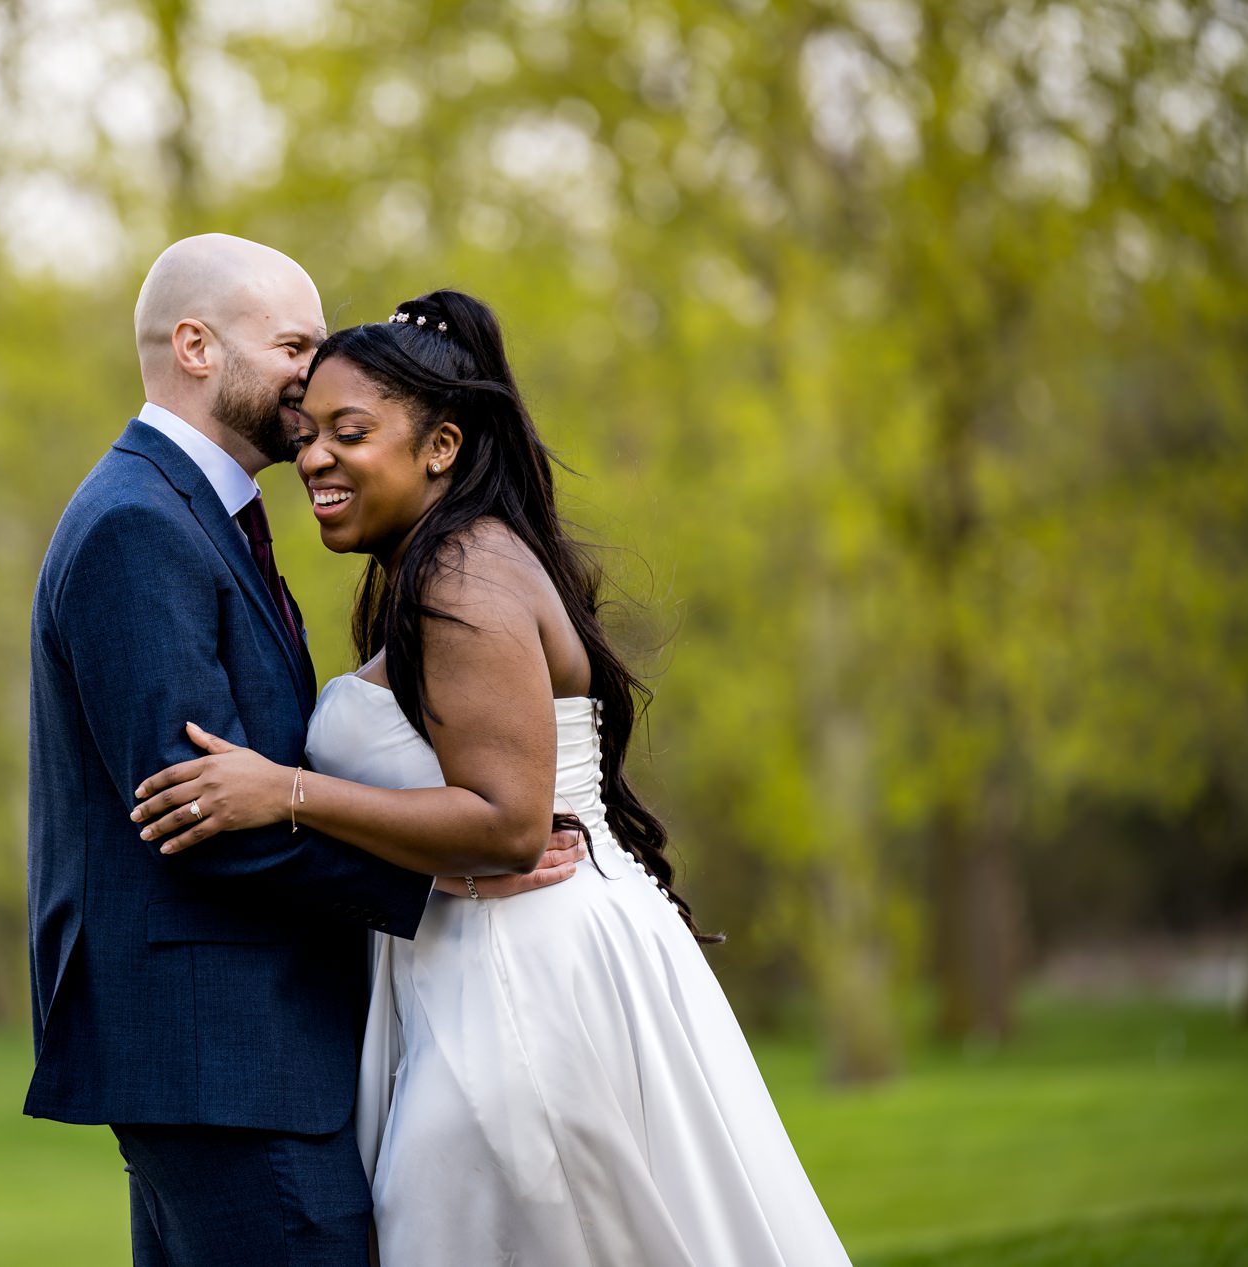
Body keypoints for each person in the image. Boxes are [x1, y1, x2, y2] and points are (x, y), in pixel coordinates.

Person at [131, 289, 855, 1265]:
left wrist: (285, 793)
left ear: (440, 446)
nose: (312, 458)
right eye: (307, 435)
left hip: (522, 977)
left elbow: (510, 825)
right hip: (491, 957)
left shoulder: (459, 580)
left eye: (349, 432)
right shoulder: (443, 564)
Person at [24, 238, 583, 1267]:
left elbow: (256, 790)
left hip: (243, 1052)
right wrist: (441, 875)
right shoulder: (138, 526)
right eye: (293, 343)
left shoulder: (201, 516)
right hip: (226, 1056)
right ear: (195, 346)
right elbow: (199, 814)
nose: (312, 371)